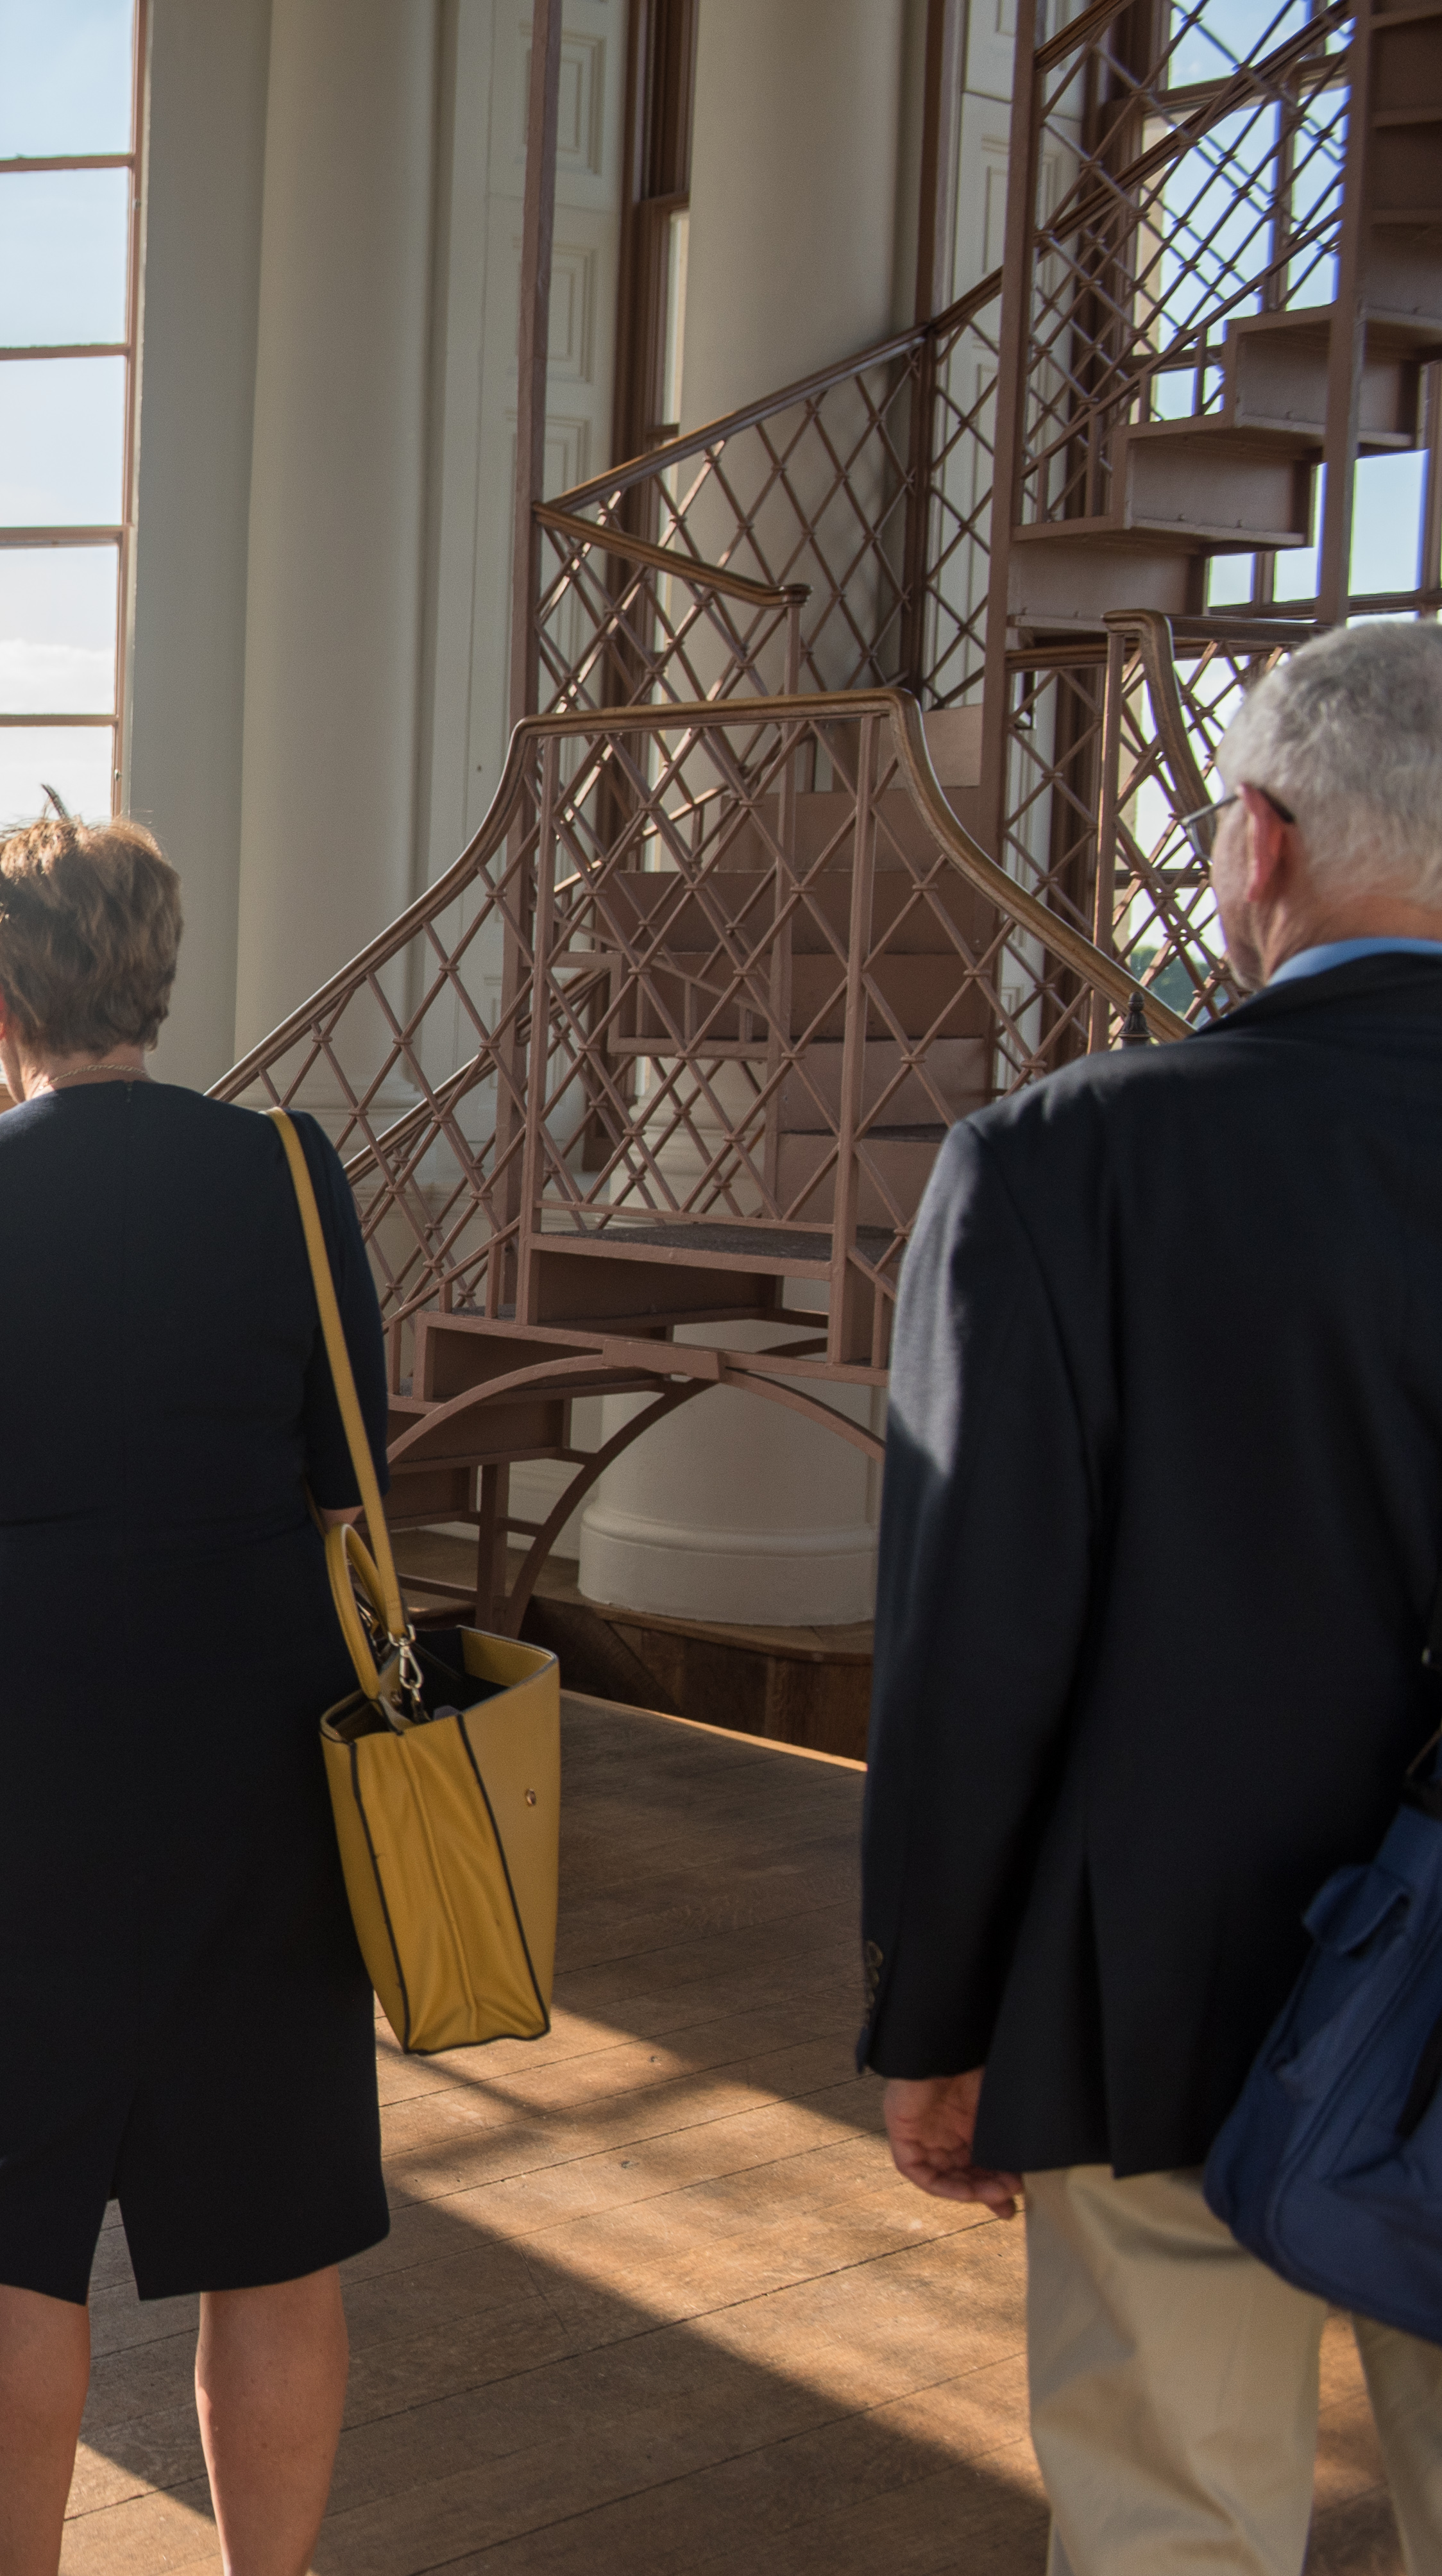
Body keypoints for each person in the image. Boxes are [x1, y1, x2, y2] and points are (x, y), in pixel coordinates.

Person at [863, 620, 1442, 2571]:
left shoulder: (1059, 1166)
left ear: (1258, 844)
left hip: (1169, 1990)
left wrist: (938, 2017)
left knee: (1176, 2529)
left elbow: (978, 1643)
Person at [0, 811, 387, 2576]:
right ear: (154, 970)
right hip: (262, 1715)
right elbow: (348, 1466)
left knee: (17, 2212)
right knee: (277, 2219)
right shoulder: (287, 1172)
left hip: (43, 1719)